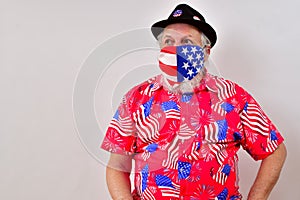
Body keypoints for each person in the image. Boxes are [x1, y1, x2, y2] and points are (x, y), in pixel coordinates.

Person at [101, 4, 287, 200]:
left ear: (205, 51)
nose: (176, 49)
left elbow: (275, 150)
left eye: (186, 42)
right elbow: (117, 167)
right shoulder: (136, 98)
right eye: (169, 41)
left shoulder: (233, 97)